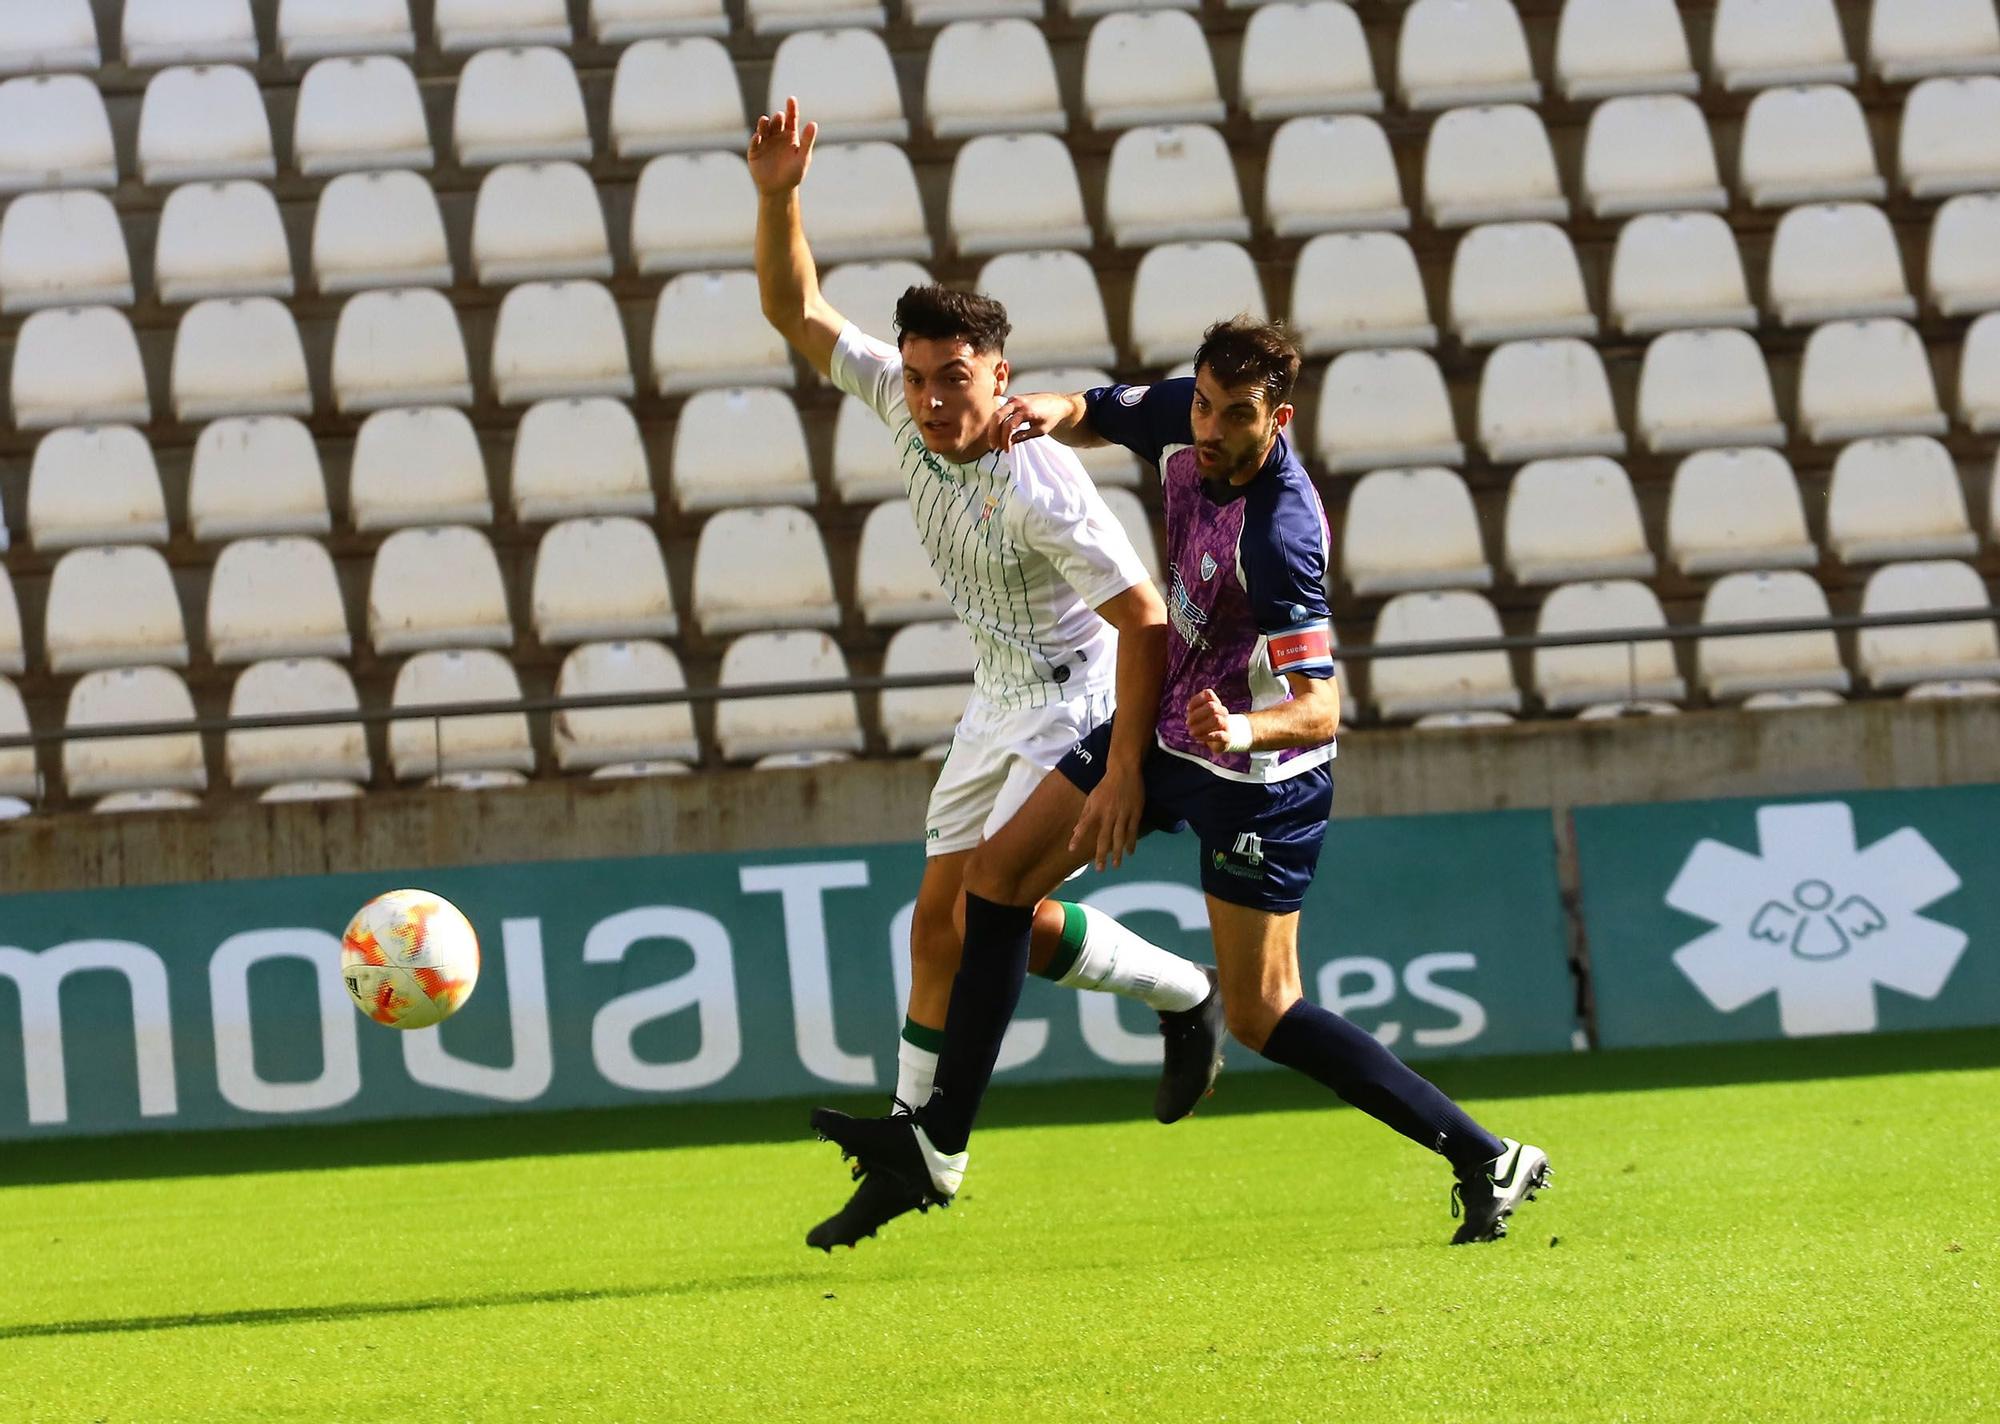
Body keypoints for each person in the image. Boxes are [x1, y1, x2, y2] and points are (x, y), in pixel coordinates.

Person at [814, 318, 1552, 1245]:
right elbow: (1096, 410)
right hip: (1170, 726)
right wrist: (1050, 407)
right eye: (1200, 403)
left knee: (1263, 1013)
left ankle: (1486, 1155)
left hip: (1258, 776)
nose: (1206, 427)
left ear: (1275, 419)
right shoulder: (1187, 415)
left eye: (1232, 415)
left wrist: (1245, 724)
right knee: (993, 886)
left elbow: (1322, 707)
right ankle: (935, 1147)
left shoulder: (1281, 534)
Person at [748, 98, 1228, 1250]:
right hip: (1000, 691)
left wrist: (1121, 772)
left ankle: (929, 1150)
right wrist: (778, 195)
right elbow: (795, 308)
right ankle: (1159, 1000)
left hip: (1085, 688)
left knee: (979, 909)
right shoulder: (905, 414)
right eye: (914, 377)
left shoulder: (1042, 479)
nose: (926, 398)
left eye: (950, 379)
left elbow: (1147, 615)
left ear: (997, 372)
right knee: (936, 926)